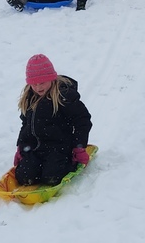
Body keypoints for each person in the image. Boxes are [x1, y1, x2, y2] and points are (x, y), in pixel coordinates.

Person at [12, 54, 92, 186]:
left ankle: (68, 162)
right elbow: (25, 124)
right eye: (34, 84)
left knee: (52, 177)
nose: (38, 88)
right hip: (35, 148)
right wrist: (21, 147)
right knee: (25, 177)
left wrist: (79, 147)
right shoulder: (29, 98)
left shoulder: (63, 96)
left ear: (51, 78)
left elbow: (82, 120)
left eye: (42, 82)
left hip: (59, 147)